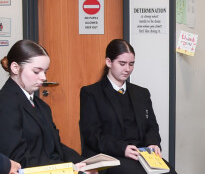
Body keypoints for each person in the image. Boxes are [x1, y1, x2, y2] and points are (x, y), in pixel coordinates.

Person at [80, 39, 177, 174]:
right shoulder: (91, 93)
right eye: (122, 64)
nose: (127, 69)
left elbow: (151, 126)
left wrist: (152, 143)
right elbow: (92, 134)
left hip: (140, 154)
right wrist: (122, 148)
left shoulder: (142, 93)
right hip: (111, 155)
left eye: (131, 64)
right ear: (109, 62)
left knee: (170, 172)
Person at [0, 39, 95, 172]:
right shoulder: (5, 103)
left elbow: (56, 146)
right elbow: (18, 158)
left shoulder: (42, 106)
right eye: (36, 71)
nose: (44, 77)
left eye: (45, 71)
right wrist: (69, 169)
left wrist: (82, 162)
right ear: (15, 68)